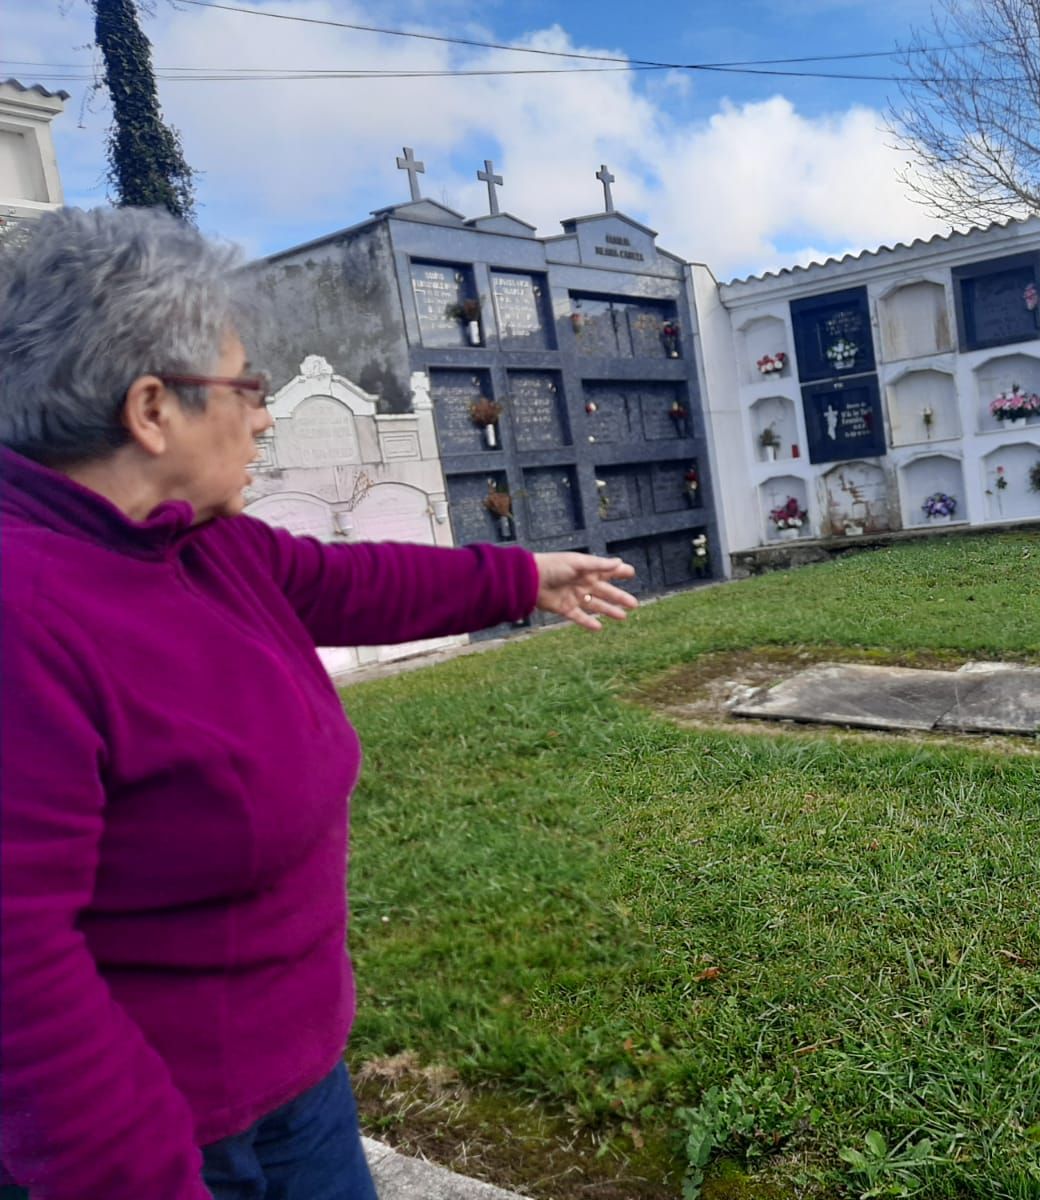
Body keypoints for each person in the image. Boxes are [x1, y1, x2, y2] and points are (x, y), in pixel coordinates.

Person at [0, 206, 639, 1199]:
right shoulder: (25, 618)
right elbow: (18, 976)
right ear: (152, 410)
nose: (263, 416)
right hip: (164, 1143)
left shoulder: (202, 544)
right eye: (246, 387)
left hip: (296, 1090)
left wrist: (518, 577)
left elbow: (347, 583)